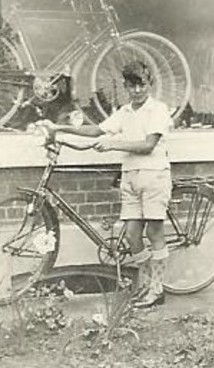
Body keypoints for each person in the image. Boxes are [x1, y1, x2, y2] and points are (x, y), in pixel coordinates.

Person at [47, 60, 173, 308]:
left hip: (154, 175)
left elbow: (148, 145)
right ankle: (146, 285)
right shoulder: (125, 112)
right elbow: (97, 131)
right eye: (132, 86)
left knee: (154, 232)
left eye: (142, 85)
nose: (137, 91)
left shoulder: (158, 110)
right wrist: (58, 128)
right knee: (132, 235)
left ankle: (157, 290)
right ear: (125, 86)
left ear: (150, 85)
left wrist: (114, 144)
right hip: (130, 177)